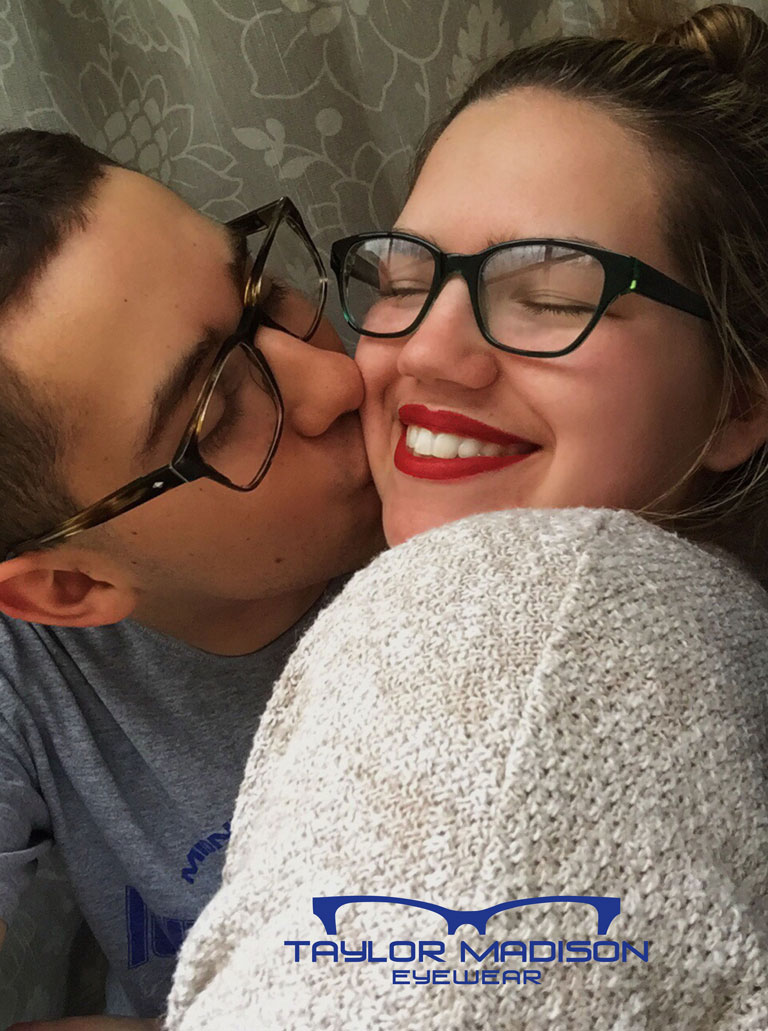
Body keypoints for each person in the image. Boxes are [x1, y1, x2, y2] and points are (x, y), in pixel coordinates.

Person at [164, 4, 768, 1029]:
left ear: (741, 395)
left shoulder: (508, 636)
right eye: (403, 277)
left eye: (546, 293)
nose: (425, 352)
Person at [0, 129, 383, 1028]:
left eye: (264, 290)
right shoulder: (25, 669)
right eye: (217, 415)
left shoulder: (474, 455)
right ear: (69, 588)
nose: (340, 379)